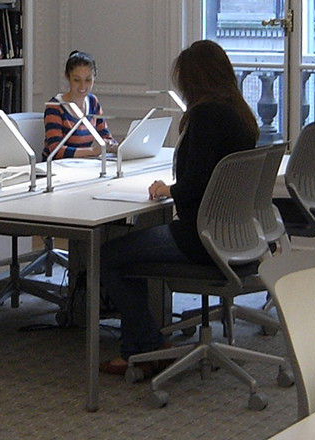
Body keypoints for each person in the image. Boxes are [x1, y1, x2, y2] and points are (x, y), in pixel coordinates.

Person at [97, 39, 259, 375]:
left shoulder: (206, 115)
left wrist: (169, 189)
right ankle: (144, 345)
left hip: (199, 237)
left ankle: (145, 347)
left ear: (193, 80)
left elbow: (195, 183)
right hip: (233, 234)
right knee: (131, 249)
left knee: (108, 256)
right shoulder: (240, 114)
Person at [43, 50, 115, 159]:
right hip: (55, 169)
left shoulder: (93, 102)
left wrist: (114, 146)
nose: (82, 86)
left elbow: (106, 136)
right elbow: (56, 150)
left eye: (88, 80)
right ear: (68, 77)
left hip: (82, 166)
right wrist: (93, 151)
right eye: (77, 80)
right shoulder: (55, 107)